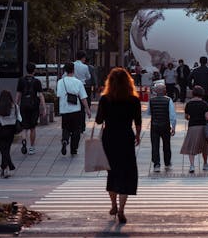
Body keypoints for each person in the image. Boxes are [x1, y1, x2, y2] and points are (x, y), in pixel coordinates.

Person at [96, 67, 142, 223]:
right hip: (126, 138)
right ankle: (122, 209)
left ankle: (113, 205)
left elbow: (99, 120)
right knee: (126, 172)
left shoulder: (105, 99)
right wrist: (137, 135)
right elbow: (138, 121)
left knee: (112, 172)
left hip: (109, 138)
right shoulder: (133, 100)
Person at [57, 61, 91, 156]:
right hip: (76, 109)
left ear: (65, 71)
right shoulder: (78, 82)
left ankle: (65, 140)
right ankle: (73, 149)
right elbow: (83, 97)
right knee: (76, 129)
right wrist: (87, 109)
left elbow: (59, 95)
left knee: (66, 128)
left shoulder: (60, 82)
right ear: (73, 70)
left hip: (64, 109)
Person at [15, 62, 45, 155]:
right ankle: (31, 147)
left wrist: (16, 105)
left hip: (23, 105)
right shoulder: (37, 82)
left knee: (24, 126)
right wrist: (44, 107)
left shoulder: (21, 80)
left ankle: (24, 140)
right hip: (33, 106)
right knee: (32, 128)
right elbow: (40, 95)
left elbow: (18, 94)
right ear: (34, 71)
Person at [180, 85, 208, 173]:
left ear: (193, 93)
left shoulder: (189, 104)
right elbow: (207, 117)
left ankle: (192, 166)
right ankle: (205, 164)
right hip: (202, 127)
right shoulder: (205, 104)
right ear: (202, 94)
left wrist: (191, 117)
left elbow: (186, 117)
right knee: (204, 147)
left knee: (191, 146)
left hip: (192, 127)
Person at [0, 89, 22, 178]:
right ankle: (5, 168)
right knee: (7, 149)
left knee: (2, 149)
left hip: (0, 130)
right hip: (11, 130)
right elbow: (19, 119)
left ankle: (6, 168)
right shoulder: (15, 107)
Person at [147, 80, 176, 173]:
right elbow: (172, 116)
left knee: (155, 145)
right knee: (166, 144)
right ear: (164, 91)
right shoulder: (168, 100)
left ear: (155, 91)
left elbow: (148, 113)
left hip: (154, 125)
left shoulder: (151, 100)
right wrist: (173, 127)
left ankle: (156, 164)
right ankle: (167, 162)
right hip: (165, 125)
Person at [73, 50, 91, 132]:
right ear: (83, 58)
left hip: (72, 86)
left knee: (73, 106)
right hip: (82, 86)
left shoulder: (72, 65)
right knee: (82, 106)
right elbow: (88, 77)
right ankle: (82, 126)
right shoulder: (85, 67)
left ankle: (75, 125)